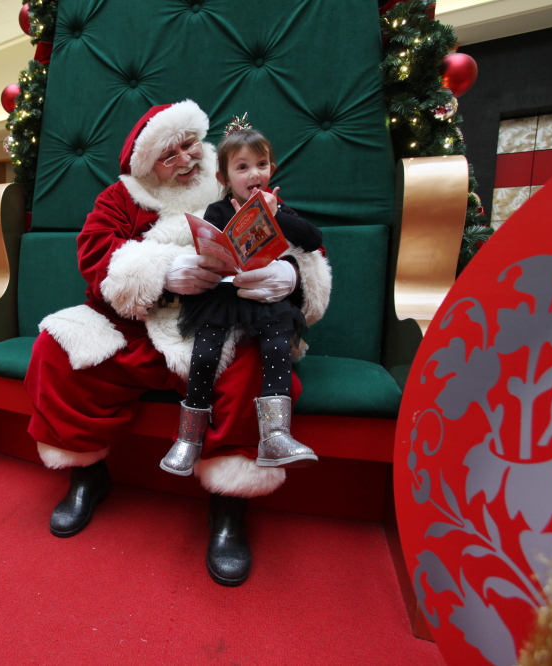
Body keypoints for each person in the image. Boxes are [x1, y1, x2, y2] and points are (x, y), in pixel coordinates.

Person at [24, 100, 331, 586]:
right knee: (57, 351)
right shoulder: (120, 199)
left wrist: (289, 277)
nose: (187, 160)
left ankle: (229, 505)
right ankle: (86, 476)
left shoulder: (234, 171)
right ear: (147, 165)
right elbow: (96, 258)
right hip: (144, 324)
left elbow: (304, 242)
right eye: (170, 156)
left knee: (254, 364)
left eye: (189, 145)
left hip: (229, 320)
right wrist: (163, 274)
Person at [160, 117, 324, 476]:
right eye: (243, 167)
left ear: (272, 170)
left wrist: (276, 214)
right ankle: (190, 438)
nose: (254, 174)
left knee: (277, 347)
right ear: (224, 178)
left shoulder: (279, 206)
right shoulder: (218, 210)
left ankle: (275, 435)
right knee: (204, 355)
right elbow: (205, 246)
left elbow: (312, 239)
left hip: (266, 298)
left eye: (261, 165)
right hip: (224, 298)